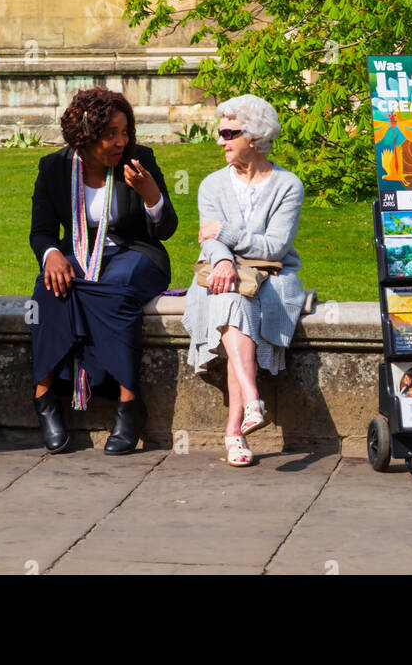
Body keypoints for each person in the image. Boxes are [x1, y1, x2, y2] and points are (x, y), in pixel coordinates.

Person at [28, 87, 177, 455]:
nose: (120, 142)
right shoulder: (55, 168)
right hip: (76, 252)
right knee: (50, 289)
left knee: (114, 286)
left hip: (136, 253)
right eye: (110, 133)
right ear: (86, 135)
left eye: (125, 132)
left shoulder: (140, 160)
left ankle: (129, 402)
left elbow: (166, 228)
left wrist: (150, 194)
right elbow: (42, 231)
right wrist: (50, 254)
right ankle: (45, 397)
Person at [182, 94, 305, 467]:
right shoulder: (212, 185)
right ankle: (249, 406)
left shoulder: (288, 185)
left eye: (229, 133)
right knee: (231, 300)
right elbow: (210, 239)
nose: (220, 140)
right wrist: (222, 261)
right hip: (221, 275)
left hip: (272, 275)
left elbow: (275, 247)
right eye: (219, 132)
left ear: (254, 136)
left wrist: (227, 237)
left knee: (234, 304)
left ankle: (235, 431)